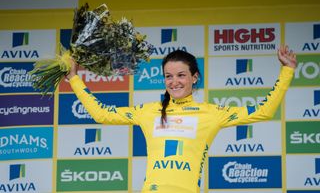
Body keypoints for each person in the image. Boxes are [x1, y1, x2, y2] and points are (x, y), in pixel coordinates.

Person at [66, 45, 297, 193]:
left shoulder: (211, 113)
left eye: (181, 75)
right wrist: (74, 78)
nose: (174, 81)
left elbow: (264, 110)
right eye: (168, 76)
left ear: (194, 78)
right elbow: (102, 114)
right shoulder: (148, 111)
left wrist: (287, 70)